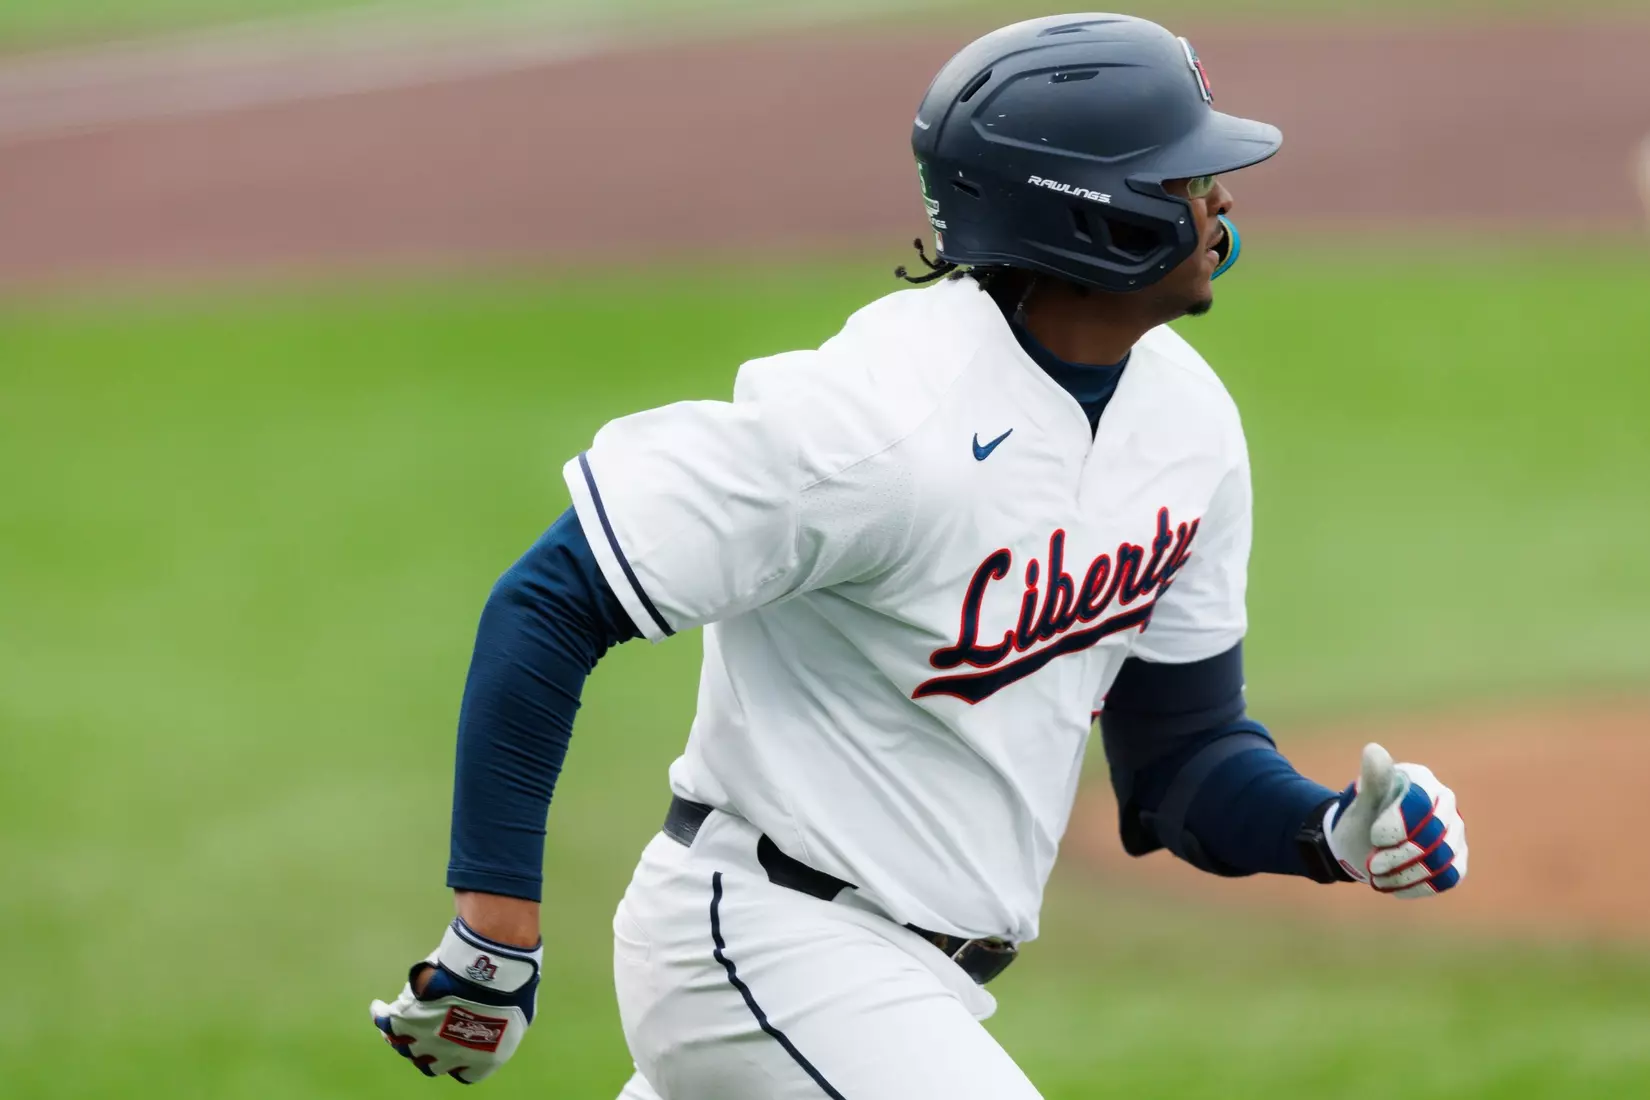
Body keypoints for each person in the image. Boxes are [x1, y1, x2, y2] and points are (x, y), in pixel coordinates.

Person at [369, 14, 1468, 1098]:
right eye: (1185, 179)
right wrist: (495, 930)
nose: (1220, 202)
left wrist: (1327, 829)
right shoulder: (880, 418)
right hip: (765, 946)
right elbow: (553, 596)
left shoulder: (1190, 421)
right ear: (1094, 214)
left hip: (907, 987)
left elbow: (1182, 757)